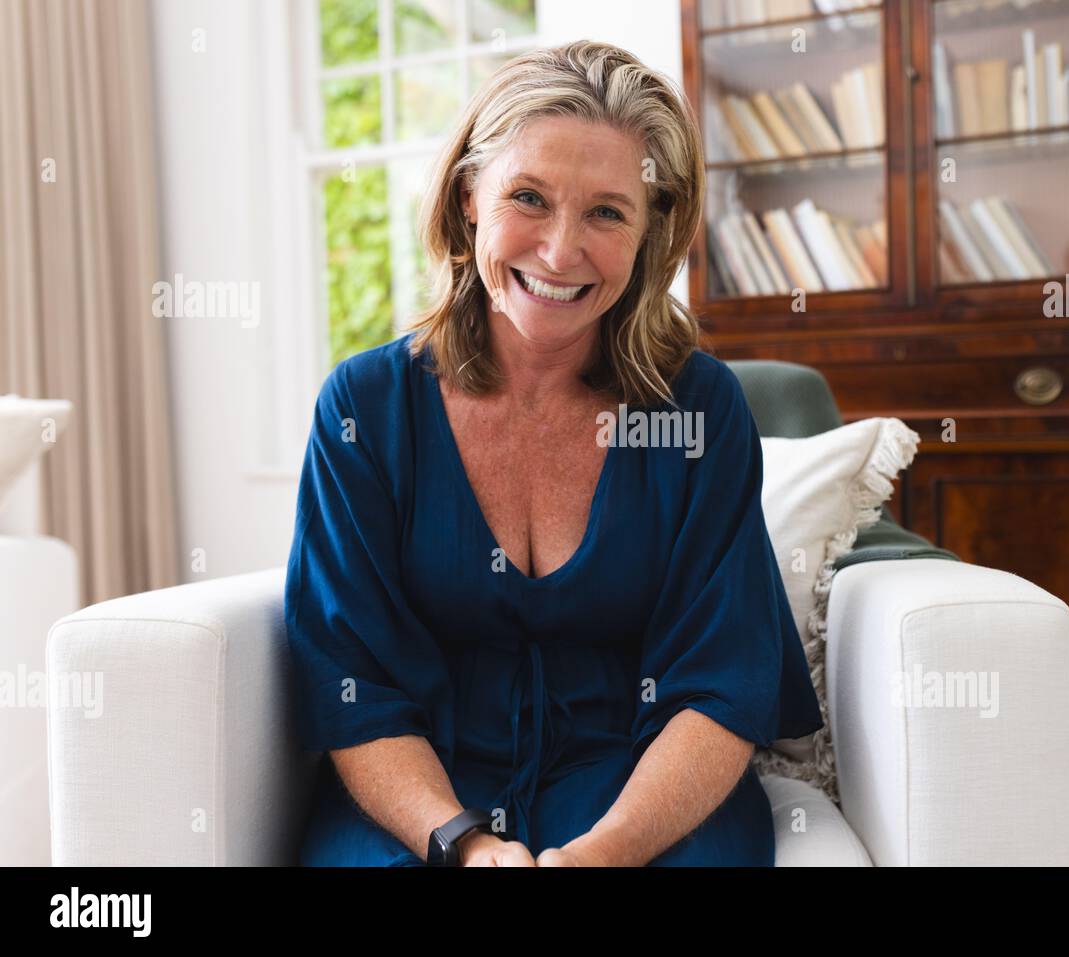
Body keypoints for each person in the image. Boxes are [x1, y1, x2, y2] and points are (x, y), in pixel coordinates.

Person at [287, 39, 823, 867]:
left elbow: (720, 686)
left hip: (639, 787)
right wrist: (461, 842)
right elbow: (351, 683)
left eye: (607, 212)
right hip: (423, 791)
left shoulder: (701, 409)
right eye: (528, 197)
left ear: (652, 229)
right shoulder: (362, 409)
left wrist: (598, 856)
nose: (561, 250)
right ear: (470, 196)